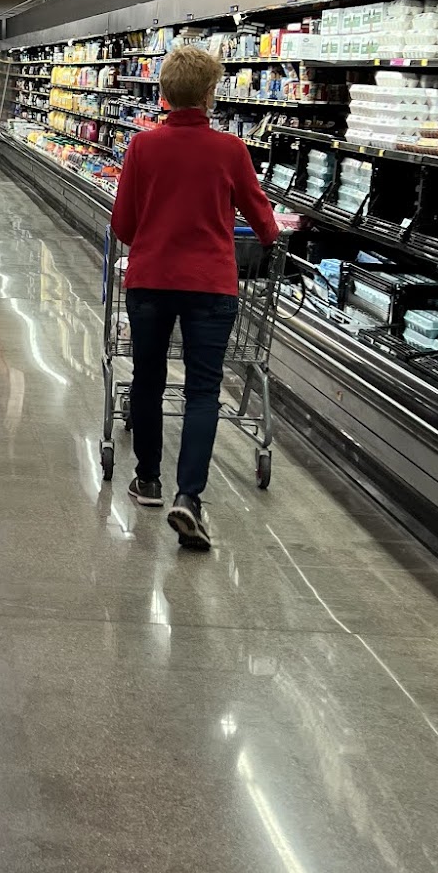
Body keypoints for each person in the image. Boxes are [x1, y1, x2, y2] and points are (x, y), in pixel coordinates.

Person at [110, 43, 279, 551]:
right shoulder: (232, 150)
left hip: (151, 280)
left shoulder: (142, 148)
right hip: (210, 285)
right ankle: (189, 496)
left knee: (148, 378)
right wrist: (268, 238)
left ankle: (148, 480)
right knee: (203, 391)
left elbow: (123, 225)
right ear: (210, 94)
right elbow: (263, 222)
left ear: (163, 93)